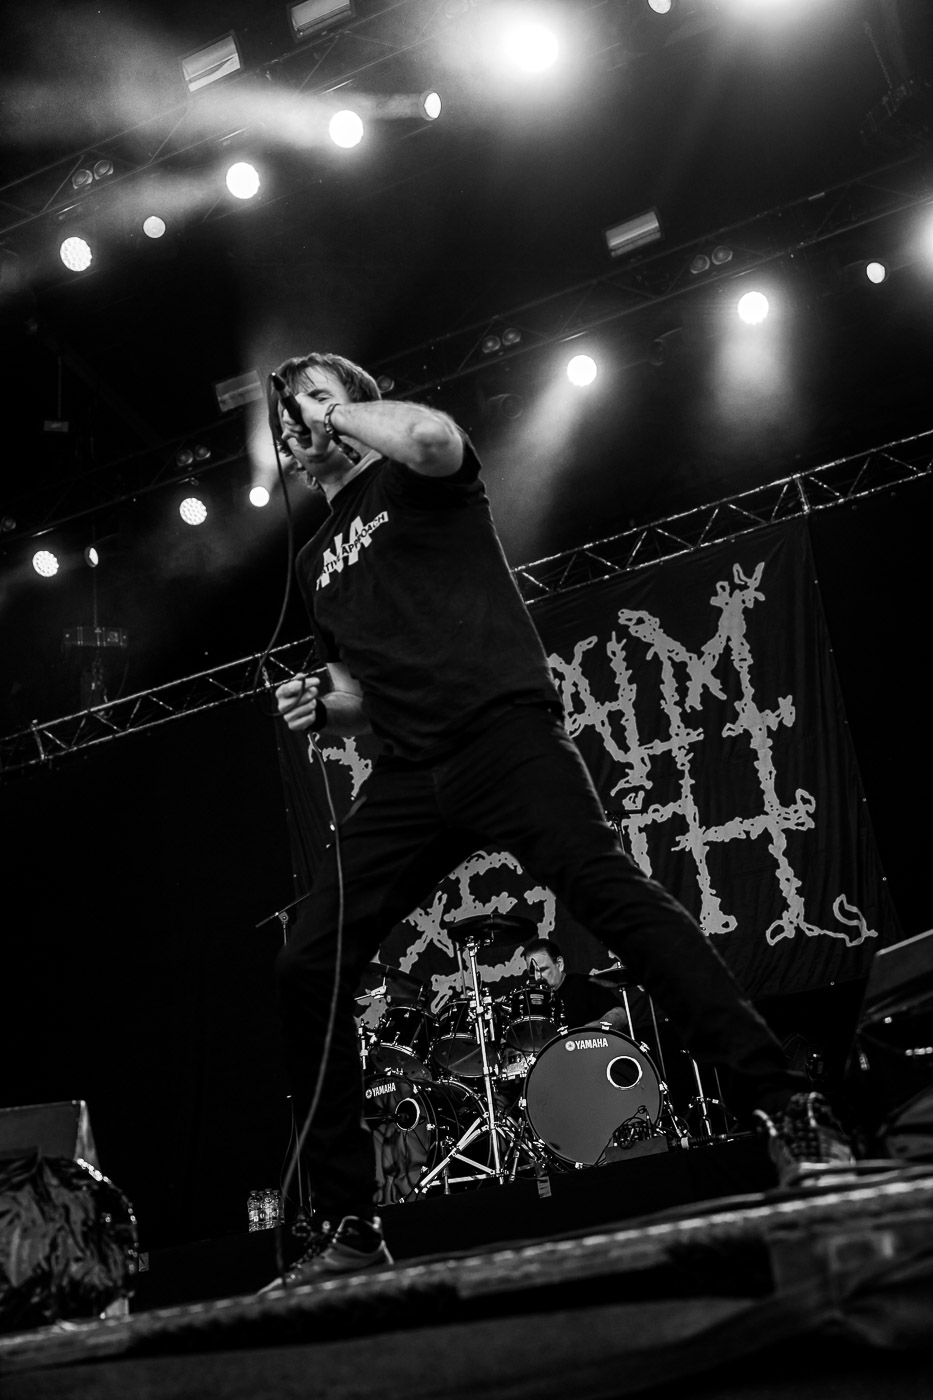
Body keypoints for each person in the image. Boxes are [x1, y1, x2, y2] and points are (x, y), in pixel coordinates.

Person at [265, 351, 853, 1289]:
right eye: (291, 416)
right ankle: (349, 1224)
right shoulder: (312, 561)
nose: (300, 423)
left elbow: (430, 437)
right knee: (308, 960)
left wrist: (333, 411)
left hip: (502, 733)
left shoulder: (412, 474)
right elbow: (358, 693)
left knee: (613, 897)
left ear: (357, 408)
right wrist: (320, 706)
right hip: (411, 774)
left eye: (316, 403)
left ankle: (787, 1107)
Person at [523, 936, 630, 1031]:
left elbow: (620, 1015)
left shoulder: (585, 985)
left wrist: (588, 1031)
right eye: (531, 973)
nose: (537, 977)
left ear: (559, 964)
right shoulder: (530, 1000)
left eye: (542, 970)